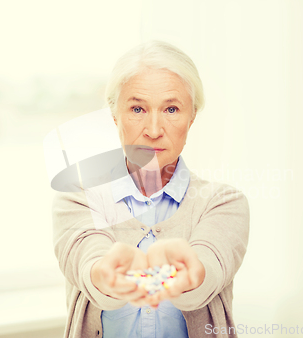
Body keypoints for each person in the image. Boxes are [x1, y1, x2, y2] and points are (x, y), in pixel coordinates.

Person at [52, 40, 250, 338]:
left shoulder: (223, 202)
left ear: (192, 117)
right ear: (114, 115)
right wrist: (106, 274)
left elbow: (209, 268)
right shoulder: (78, 195)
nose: (154, 129)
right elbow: (87, 260)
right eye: (137, 108)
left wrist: (189, 272)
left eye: (171, 109)